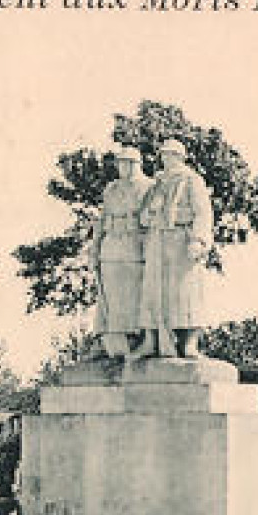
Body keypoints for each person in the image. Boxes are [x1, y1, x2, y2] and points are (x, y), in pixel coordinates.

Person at [130, 138, 213, 360]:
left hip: (181, 241)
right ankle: (150, 341)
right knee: (152, 292)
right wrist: (150, 214)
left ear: (180, 156)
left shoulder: (192, 180)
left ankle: (190, 344)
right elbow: (144, 216)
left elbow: (203, 213)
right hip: (157, 240)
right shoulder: (157, 183)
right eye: (163, 155)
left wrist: (199, 240)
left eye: (170, 154)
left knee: (186, 293)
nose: (166, 159)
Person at [87, 147, 152, 358]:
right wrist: (95, 248)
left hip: (135, 244)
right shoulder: (111, 189)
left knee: (134, 296)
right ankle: (108, 341)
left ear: (137, 164)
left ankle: (136, 340)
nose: (124, 167)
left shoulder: (148, 187)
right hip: (111, 244)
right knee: (109, 297)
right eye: (121, 163)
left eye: (129, 162)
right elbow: (102, 219)